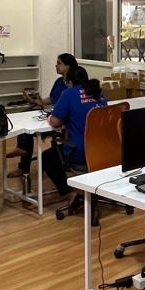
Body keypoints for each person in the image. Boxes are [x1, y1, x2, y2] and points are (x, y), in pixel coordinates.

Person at [38, 65, 107, 194]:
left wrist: (50, 116)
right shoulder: (98, 92)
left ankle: (69, 193)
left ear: (69, 82)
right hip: (103, 150)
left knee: (47, 157)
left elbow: (55, 121)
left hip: (80, 152)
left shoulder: (69, 93)